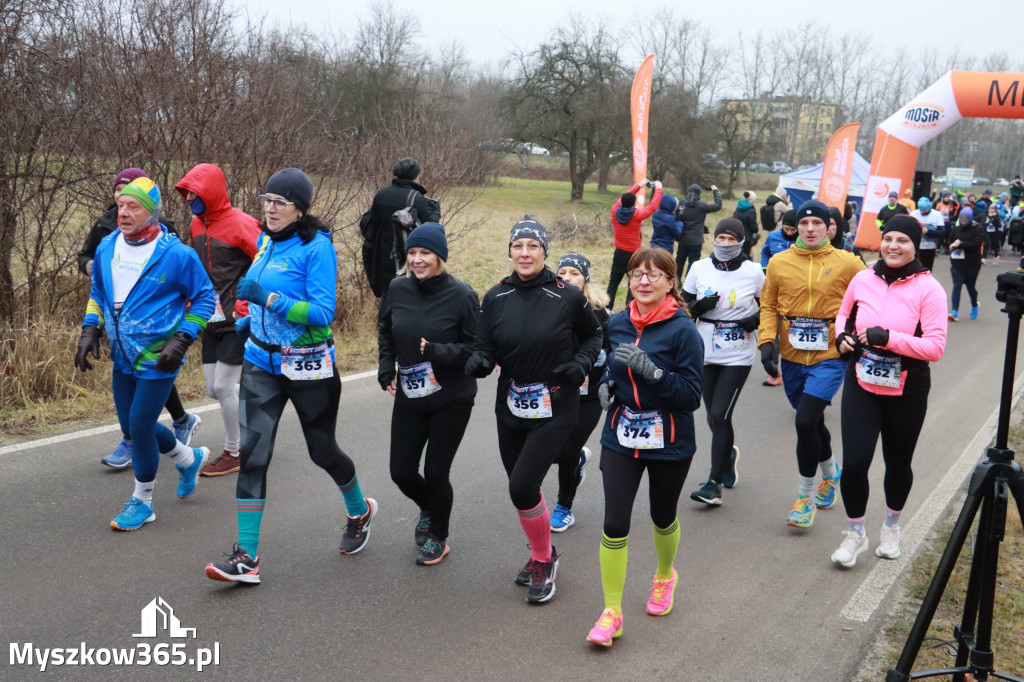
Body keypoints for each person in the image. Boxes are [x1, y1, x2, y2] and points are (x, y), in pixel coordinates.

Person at [204, 168, 377, 584]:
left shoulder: (317, 248)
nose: (270, 208)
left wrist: (269, 298)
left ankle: (360, 510)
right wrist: (250, 322)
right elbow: (257, 297)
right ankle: (247, 557)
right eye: (266, 200)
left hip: (308, 366)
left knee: (322, 451)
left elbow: (321, 313)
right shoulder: (265, 240)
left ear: (300, 209)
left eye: (280, 202)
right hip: (261, 364)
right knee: (253, 457)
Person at [464, 217, 602, 604]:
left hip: (556, 403)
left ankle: (543, 558)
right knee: (522, 490)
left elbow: (593, 334)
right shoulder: (495, 297)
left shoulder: (567, 295)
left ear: (544, 252)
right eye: (518, 246)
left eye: (533, 247)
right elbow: (485, 344)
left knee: (522, 485)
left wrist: (581, 364)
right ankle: (544, 552)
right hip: (511, 404)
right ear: (509, 251)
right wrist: (479, 360)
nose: (525, 253)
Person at [74, 177, 215, 530]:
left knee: (138, 426)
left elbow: (204, 298)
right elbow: (99, 293)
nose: (123, 212)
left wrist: (182, 339)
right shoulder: (107, 247)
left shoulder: (176, 254)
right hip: (122, 354)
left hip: (159, 354)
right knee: (134, 427)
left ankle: (143, 501)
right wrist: (90, 328)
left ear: (151, 213)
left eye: (133, 207)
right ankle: (187, 458)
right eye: (121, 205)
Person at [586, 247, 703, 647]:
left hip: (669, 439)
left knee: (662, 516)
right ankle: (611, 612)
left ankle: (664, 576)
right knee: (615, 522)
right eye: (637, 274)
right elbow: (608, 366)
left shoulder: (683, 330)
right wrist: (605, 385)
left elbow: (690, 396)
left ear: (671, 282)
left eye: (654, 275)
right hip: (621, 435)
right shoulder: (617, 323)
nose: (644, 281)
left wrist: (653, 372)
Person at [831, 215, 947, 567]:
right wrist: (841, 338)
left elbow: (936, 347)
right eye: (888, 239)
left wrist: (890, 339)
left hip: (907, 388)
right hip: (862, 381)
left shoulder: (930, 289)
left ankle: (892, 526)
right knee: (853, 464)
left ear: (915, 247)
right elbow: (843, 315)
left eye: (903, 241)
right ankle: (856, 534)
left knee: (897, 463)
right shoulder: (863, 278)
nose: (893, 246)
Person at [757, 200, 866, 528]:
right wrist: (766, 341)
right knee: (812, 420)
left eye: (817, 223)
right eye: (804, 224)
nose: (810, 229)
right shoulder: (779, 262)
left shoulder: (848, 263)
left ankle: (804, 498)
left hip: (830, 356)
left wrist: (853, 336)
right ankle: (833, 473)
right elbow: (769, 304)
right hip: (791, 356)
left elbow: (871, 299)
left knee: (804, 422)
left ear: (829, 227)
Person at [377, 223, 481, 566]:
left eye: (425, 253)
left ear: (440, 256)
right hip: (411, 392)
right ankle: (428, 505)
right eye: (412, 252)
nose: (417, 260)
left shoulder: (462, 295)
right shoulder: (397, 288)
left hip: (451, 397)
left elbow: (475, 350)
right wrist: (385, 367)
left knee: (437, 473)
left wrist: (438, 351)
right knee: (401, 471)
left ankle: (439, 535)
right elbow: (386, 330)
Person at [175, 163, 262, 477]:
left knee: (225, 386)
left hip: (238, 319)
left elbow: (266, 260)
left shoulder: (242, 223)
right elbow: (198, 269)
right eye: (186, 194)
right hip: (208, 318)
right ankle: (254, 431)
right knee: (214, 389)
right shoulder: (197, 225)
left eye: (194, 193)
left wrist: (248, 301)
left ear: (210, 192)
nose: (189, 199)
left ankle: (235, 451)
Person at [682, 219, 764, 506]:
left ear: (742, 241)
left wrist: (755, 320)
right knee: (712, 415)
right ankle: (727, 454)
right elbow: (682, 306)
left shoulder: (754, 272)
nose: (726, 244)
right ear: (713, 240)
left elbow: (770, 305)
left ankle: (713, 483)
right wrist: (697, 307)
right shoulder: (698, 268)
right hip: (704, 349)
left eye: (732, 239)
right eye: (721, 238)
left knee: (720, 415)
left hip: (738, 353)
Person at [549, 252, 611, 531]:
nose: (567, 279)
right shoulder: (546, 307)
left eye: (574, 273)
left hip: (589, 395)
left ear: (585, 280)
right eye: (562, 274)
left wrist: (604, 355)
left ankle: (564, 507)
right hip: (555, 391)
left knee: (567, 449)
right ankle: (578, 460)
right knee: (551, 451)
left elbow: (615, 349)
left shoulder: (600, 314)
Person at [364, 158, 441, 298]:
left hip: (381, 258)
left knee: (387, 301)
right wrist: (435, 213)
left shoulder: (382, 194)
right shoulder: (416, 198)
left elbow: (371, 223)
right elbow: (430, 230)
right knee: (406, 301)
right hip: (406, 263)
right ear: (416, 175)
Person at [606, 180, 663, 308]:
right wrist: (658, 189)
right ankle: (629, 308)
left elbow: (623, 198)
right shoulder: (638, 215)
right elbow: (653, 206)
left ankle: (607, 308)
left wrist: (638, 186)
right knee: (634, 282)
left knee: (613, 282)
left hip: (619, 253)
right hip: (634, 255)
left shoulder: (614, 210)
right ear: (634, 204)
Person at [758, 209, 798, 387]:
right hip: (775, 292)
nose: (789, 233)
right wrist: (765, 269)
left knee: (790, 332)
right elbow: (765, 253)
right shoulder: (773, 236)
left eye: (793, 230)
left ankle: (798, 369)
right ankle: (774, 372)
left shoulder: (804, 240)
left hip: (796, 294)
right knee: (772, 330)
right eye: (787, 229)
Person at [676, 184, 722, 281]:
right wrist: (715, 191)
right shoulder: (702, 206)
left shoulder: (681, 204)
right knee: (693, 263)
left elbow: (677, 218)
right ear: (699, 194)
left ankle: (676, 282)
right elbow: (718, 206)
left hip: (683, 239)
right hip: (696, 240)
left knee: (679, 261)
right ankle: (688, 283)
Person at [947, 207, 985, 322]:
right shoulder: (956, 228)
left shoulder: (977, 228)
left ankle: (974, 305)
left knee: (970, 287)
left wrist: (960, 244)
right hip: (958, 263)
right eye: (961, 220)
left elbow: (976, 245)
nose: (963, 222)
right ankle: (954, 312)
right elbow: (949, 240)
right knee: (957, 285)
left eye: (965, 220)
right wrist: (951, 246)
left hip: (972, 263)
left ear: (970, 219)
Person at [909, 197, 945, 271]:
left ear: (929, 207)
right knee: (915, 268)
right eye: (921, 210)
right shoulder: (913, 214)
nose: (922, 212)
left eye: (924, 210)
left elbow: (942, 232)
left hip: (930, 247)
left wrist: (928, 231)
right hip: (916, 247)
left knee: (927, 269)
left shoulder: (937, 215)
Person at [733, 191, 759, 260]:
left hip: (737, 235)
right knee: (746, 257)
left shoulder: (738, 208)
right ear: (752, 200)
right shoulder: (751, 211)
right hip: (747, 238)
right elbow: (754, 227)